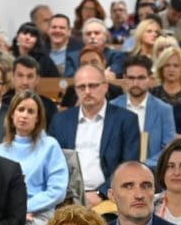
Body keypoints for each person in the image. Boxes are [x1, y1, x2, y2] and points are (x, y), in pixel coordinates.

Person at [47, 64, 139, 205]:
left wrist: (100, 193)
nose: (87, 91)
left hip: (110, 197)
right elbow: (52, 164)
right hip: (67, 198)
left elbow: (128, 165)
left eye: (93, 86)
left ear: (105, 87)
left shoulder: (126, 119)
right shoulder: (60, 120)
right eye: (81, 87)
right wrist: (69, 195)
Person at [0, 89, 69, 225]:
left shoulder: (49, 145)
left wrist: (22, 209)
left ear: (38, 118)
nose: (24, 115)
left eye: (31, 111)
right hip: (7, 217)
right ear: (12, 114)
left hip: (40, 217)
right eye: (20, 109)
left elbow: (57, 191)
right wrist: (13, 214)